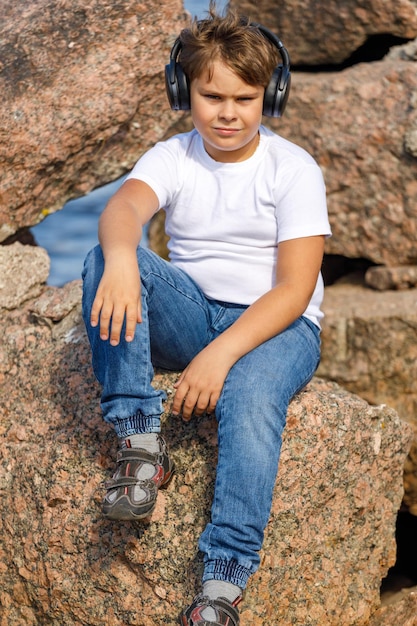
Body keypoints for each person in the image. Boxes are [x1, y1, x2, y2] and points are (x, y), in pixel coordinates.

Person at [82, 2, 331, 624]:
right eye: (212, 95)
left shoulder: (292, 168)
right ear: (183, 91)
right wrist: (119, 257)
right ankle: (141, 447)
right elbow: (123, 210)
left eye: (244, 98)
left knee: (249, 397)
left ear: (268, 98)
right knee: (104, 258)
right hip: (194, 313)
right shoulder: (175, 156)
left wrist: (220, 356)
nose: (227, 113)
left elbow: (294, 291)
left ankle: (222, 582)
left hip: (280, 325)